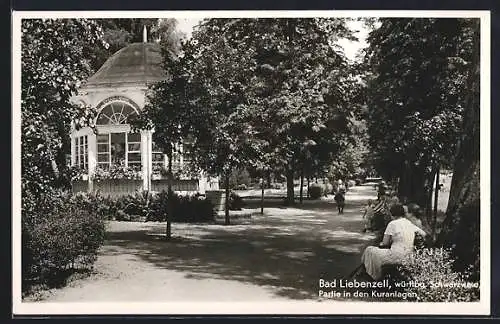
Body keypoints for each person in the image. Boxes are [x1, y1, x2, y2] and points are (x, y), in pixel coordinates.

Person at [360, 203, 427, 280]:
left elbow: (385, 243)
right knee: (372, 252)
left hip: (395, 255)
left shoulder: (392, 224)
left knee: (369, 250)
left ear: (392, 214)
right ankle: (370, 274)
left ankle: (372, 276)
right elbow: (423, 234)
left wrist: (388, 241)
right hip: (408, 255)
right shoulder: (409, 223)